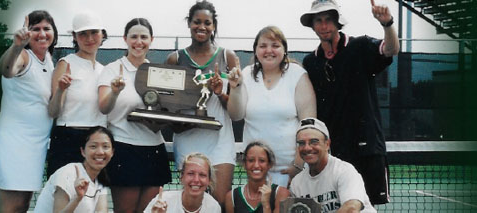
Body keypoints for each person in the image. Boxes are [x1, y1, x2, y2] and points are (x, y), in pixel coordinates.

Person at [299, 0, 400, 205]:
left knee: (367, 207)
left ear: (338, 22)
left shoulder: (360, 46)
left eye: (328, 19)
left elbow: (391, 50)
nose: (324, 25)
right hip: (333, 153)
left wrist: (387, 24)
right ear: (313, 25)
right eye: (318, 20)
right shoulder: (311, 62)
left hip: (367, 149)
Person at [165, 0, 239, 208]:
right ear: (189, 23)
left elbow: (236, 107)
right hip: (187, 141)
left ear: (213, 26)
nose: (202, 27)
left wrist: (220, 93)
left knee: (217, 204)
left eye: (207, 23)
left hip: (221, 141)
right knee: (190, 204)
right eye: (197, 22)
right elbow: (167, 105)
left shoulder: (228, 57)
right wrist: (181, 123)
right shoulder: (175, 59)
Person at [227, 26, 317, 187]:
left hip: (291, 174)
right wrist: (236, 87)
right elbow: (236, 115)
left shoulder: (298, 75)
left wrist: (297, 166)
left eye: (275, 45)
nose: (269, 50)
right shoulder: (246, 74)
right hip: (257, 173)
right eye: (263, 46)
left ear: (284, 50)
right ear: (255, 51)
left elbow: (309, 126)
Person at [97, 18, 171, 213]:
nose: (139, 42)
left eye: (144, 37)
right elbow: (103, 108)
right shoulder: (112, 69)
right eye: (134, 37)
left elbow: (164, 111)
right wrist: (114, 91)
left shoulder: (158, 72)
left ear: (151, 40)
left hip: (154, 150)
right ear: (125, 39)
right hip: (124, 149)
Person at [0, 10, 58, 213]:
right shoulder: (23, 56)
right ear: (27, 33)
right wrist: (17, 46)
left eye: (47, 28)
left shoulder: (49, 60)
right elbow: (6, 69)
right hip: (13, 142)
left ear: (54, 32)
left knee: (23, 206)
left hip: (36, 146)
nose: (42, 33)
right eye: (35, 29)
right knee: (12, 208)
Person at [46, 11, 108, 178]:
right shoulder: (65, 64)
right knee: (64, 199)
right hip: (67, 140)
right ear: (74, 36)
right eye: (83, 34)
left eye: (94, 32)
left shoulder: (105, 71)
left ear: (102, 34)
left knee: (92, 200)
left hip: (97, 142)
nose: (89, 39)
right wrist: (60, 90)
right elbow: (53, 112)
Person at [290, 118, 377, 212]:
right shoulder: (297, 183)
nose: (307, 148)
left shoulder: (344, 171)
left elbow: (351, 208)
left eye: (314, 141)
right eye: (301, 143)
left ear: (327, 144)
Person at [34, 126, 113, 212]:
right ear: (83, 151)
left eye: (105, 146)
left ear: (112, 152)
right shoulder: (67, 173)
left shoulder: (101, 178)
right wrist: (77, 198)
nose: (100, 152)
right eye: (93, 146)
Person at [225, 142, 290, 213]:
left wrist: (266, 205)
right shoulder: (232, 197)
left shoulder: (281, 194)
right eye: (251, 160)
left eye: (262, 161)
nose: (256, 165)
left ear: (269, 164)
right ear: (244, 164)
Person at [145, 153, 222, 213]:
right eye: (191, 173)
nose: (196, 180)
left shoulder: (213, 207)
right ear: (182, 177)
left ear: (209, 180)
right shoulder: (163, 201)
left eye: (202, 175)